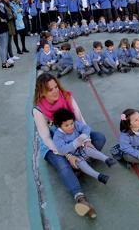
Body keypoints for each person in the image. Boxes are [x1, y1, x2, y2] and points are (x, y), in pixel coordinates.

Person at [32, 73, 106, 218]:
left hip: (75, 138)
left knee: (99, 139)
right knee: (63, 165)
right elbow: (46, 138)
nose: (55, 91)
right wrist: (68, 154)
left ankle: (79, 165)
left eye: (56, 87)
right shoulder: (38, 110)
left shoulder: (67, 97)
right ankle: (81, 198)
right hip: (54, 147)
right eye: (50, 89)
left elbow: (80, 120)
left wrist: (86, 139)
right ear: (42, 92)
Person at [52, 108, 115, 185]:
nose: (71, 127)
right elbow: (61, 150)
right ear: (59, 126)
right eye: (66, 125)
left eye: (71, 123)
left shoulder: (75, 124)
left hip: (82, 147)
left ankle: (106, 159)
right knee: (80, 163)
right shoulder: (57, 136)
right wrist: (74, 144)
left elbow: (86, 128)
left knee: (89, 149)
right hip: (73, 155)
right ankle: (98, 176)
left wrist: (84, 137)